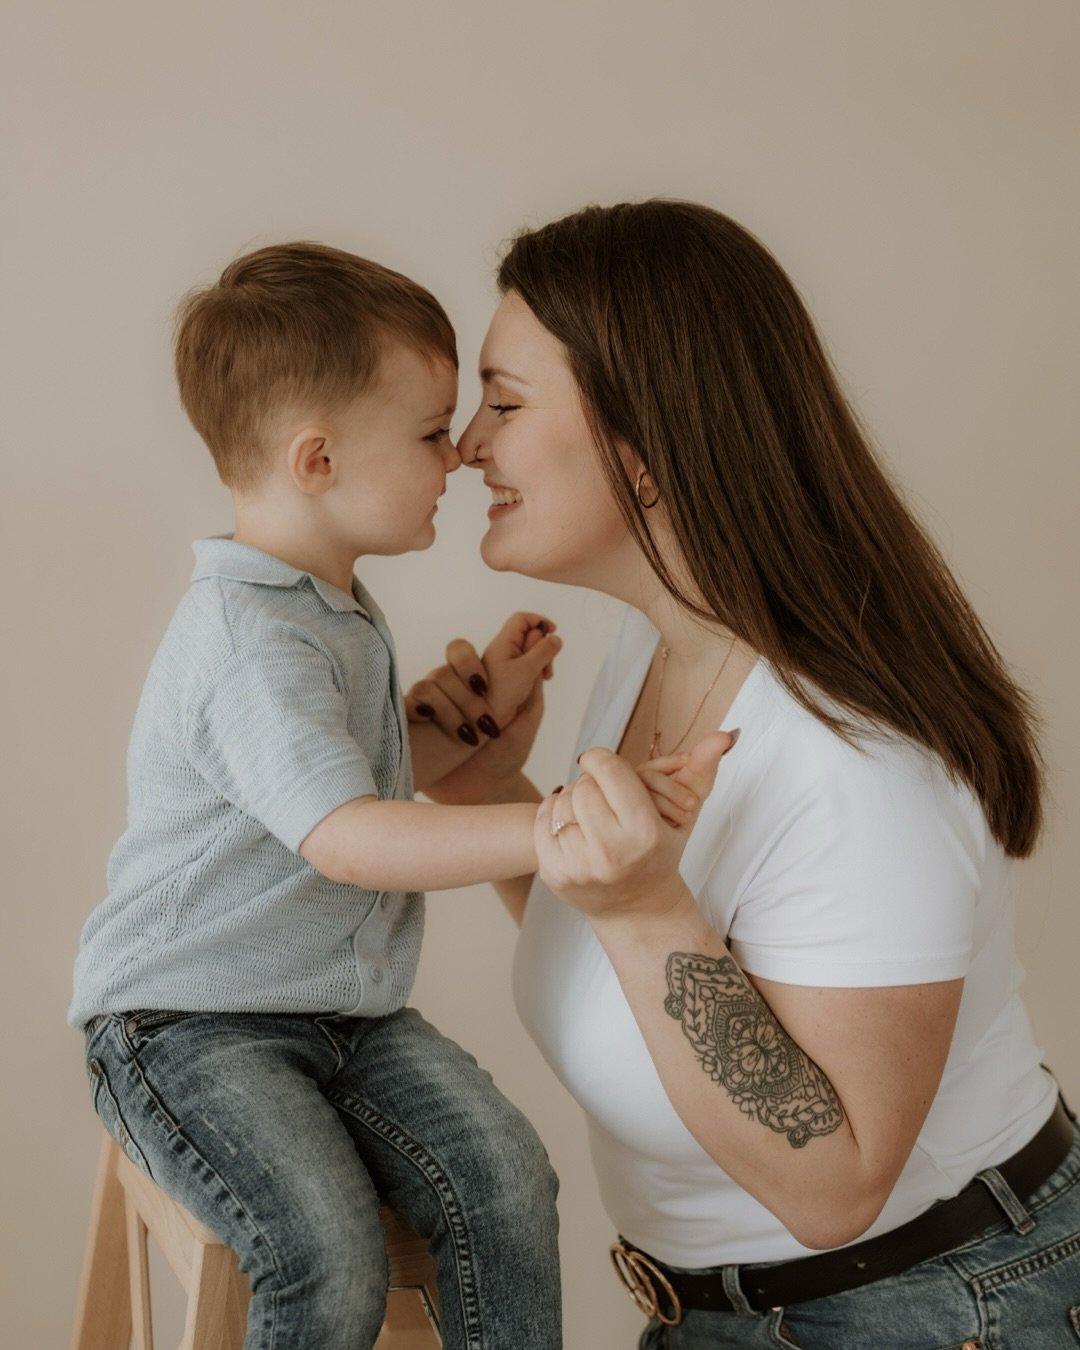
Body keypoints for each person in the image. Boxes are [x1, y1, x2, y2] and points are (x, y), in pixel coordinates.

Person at [408, 200, 1080, 1349]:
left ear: (646, 445)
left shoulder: (863, 757)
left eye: (505, 404)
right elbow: (667, 966)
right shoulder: (658, 647)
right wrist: (495, 804)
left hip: (929, 1312)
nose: (468, 444)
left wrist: (638, 903)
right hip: (745, 1313)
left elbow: (836, 1185)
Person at [68, 240, 721, 1350]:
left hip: (339, 1020)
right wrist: (551, 822)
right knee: (320, 1247)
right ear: (317, 459)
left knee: (507, 1185)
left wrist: (466, 715)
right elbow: (347, 839)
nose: (461, 456)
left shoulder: (325, 604)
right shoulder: (252, 641)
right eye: (430, 434)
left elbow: (348, 782)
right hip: (191, 1024)